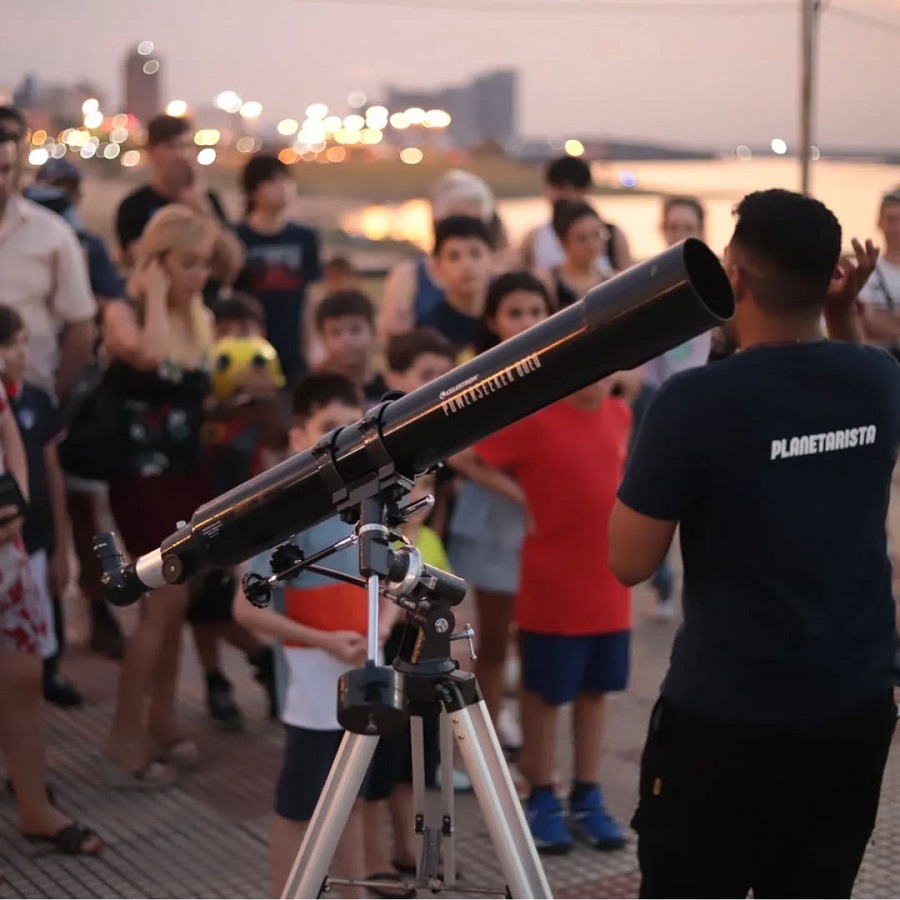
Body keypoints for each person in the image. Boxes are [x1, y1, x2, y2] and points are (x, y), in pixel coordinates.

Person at [608, 189, 893, 898]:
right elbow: (853, 395)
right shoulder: (882, 378)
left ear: (733, 277)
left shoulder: (694, 404)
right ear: (833, 276)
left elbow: (629, 562)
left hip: (725, 717)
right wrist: (842, 318)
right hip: (852, 707)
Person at [232, 372, 396, 897]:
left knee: (348, 798)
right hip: (313, 684)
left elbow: (388, 587)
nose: (343, 441)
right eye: (329, 428)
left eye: (352, 428)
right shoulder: (290, 511)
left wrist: (381, 628)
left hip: (364, 672)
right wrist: (328, 643)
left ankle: (351, 890)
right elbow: (246, 610)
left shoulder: (369, 502)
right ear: (299, 437)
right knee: (302, 803)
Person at [472, 376, 633, 854]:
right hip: (552, 587)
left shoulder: (621, 414)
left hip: (608, 584)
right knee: (543, 693)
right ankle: (541, 794)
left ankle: (587, 793)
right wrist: (520, 496)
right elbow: (468, 456)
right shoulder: (537, 418)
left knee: (595, 691)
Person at [101, 204, 218, 785]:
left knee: (178, 603)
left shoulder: (198, 317)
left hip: (187, 473)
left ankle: (164, 718)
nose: (198, 276)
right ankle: (126, 733)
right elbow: (146, 357)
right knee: (161, 601)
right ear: (157, 260)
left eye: (204, 265)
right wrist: (150, 291)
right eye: (186, 264)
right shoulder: (124, 312)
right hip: (140, 478)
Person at [445, 272, 555, 748]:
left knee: (533, 634)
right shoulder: (479, 374)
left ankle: (516, 723)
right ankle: (485, 730)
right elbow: (459, 454)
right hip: (493, 522)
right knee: (492, 637)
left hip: (547, 523)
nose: (527, 321)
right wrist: (520, 495)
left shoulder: (558, 369)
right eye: (514, 313)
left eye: (536, 310)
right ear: (492, 319)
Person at [25, 154, 127, 660]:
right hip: (31, 397)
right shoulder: (28, 238)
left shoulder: (84, 244)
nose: (57, 199)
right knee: (33, 513)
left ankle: (96, 610)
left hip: (76, 398)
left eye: (64, 192)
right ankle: (46, 636)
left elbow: (108, 304)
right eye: (48, 188)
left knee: (85, 511)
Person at [0, 372, 102, 853]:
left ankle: (34, 807)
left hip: (6, 550)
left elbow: (8, 429)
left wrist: (14, 496)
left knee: (24, 677)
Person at [630, 196, 713, 622]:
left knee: (698, 499)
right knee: (653, 495)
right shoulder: (646, 278)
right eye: (673, 226)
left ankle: (696, 582)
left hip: (692, 397)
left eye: (688, 226)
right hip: (648, 399)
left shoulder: (710, 281)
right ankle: (663, 580)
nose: (678, 234)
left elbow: (693, 352)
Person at [0, 305, 81, 708]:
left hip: (32, 539)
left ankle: (46, 676)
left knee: (37, 639)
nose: (20, 353)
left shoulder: (35, 399)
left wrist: (60, 548)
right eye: (10, 344)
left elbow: (51, 473)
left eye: (23, 342)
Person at [0, 132, 96, 400]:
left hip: (27, 396)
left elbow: (81, 325)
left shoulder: (52, 234)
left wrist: (52, 393)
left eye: (6, 169)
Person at [114, 114, 244, 299]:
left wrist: (201, 208)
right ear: (151, 151)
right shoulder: (135, 206)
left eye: (185, 146)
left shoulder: (208, 200)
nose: (180, 155)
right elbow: (144, 262)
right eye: (171, 147)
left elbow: (232, 263)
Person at [377, 169, 497, 345]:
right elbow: (395, 341)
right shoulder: (408, 276)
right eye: (457, 222)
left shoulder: (501, 275)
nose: (466, 230)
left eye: (477, 223)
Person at [234, 154, 322, 388]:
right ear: (253, 191)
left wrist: (312, 346)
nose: (282, 188)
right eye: (273, 182)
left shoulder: (305, 238)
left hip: (293, 349)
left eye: (286, 181)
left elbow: (310, 297)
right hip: (249, 351)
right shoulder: (238, 238)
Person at [519, 155, 631, 273]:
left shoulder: (612, 235)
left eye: (573, 189)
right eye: (559, 188)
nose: (566, 196)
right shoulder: (534, 238)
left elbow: (627, 280)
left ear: (585, 191)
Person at [418, 215, 494, 356]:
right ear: (436, 267)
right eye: (454, 256)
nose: (466, 265)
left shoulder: (507, 318)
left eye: (476, 254)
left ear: (492, 258)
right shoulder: (428, 333)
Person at [314, 290, 387, 408]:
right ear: (323, 339)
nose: (346, 341)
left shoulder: (390, 389)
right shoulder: (316, 395)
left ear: (373, 331)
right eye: (335, 333)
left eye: (355, 330)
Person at [538, 199, 616, 309]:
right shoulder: (548, 282)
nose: (591, 245)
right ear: (563, 241)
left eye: (596, 235)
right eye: (581, 238)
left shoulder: (612, 280)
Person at [859, 188, 900, 356]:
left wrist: (882, 316)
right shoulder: (867, 272)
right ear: (880, 222)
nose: (896, 228)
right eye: (890, 220)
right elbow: (865, 322)